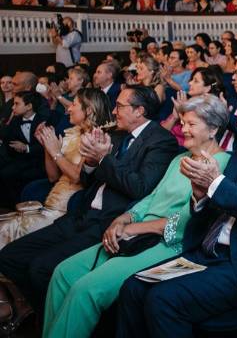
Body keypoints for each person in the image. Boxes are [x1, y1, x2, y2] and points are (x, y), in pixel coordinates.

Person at [115, 89, 237, 337]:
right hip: (205, 251)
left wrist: (215, 183)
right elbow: (216, 206)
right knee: (133, 287)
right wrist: (200, 195)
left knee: (163, 300)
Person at [42, 95, 231, 338]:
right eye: (182, 123)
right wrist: (124, 219)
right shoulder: (178, 159)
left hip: (169, 244)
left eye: (191, 124)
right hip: (137, 231)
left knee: (86, 290)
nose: (183, 129)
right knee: (62, 273)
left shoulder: (222, 164)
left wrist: (134, 229)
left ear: (214, 129)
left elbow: (187, 222)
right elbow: (151, 198)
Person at [0, 86, 178, 314]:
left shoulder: (161, 141)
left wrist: (102, 158)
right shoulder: (115, 134)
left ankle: (60, 321)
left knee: (41, 269)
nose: (114, 111)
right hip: (81, 214)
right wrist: (91, 161)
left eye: (120, 106)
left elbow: (140, 187)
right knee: (10, 256)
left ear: (139, 111)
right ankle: (45, 312)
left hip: (108, 223)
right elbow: (85, 178)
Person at [0, 90, 111, 249]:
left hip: (69, 207)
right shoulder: (73, 133)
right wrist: (47, 146)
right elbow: (53, 176)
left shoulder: (96, 138)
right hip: (52, 200)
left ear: (89, 110)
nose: (69, 109)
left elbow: (78, 177)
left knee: (8, 232)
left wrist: (56, 152)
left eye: (74, 104)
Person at [0, 91, 50, 209]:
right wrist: (10, 119)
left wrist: (26, 148)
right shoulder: (16, 120)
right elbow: (4, 137)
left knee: (9, 174)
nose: (13, 107)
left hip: (40, 162)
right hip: (20, 161)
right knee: (4, 173)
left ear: (29, 106)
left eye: (17, 104)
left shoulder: (44, 120)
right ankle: (11, 207)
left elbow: (47, 145)